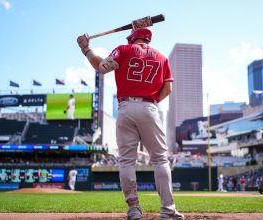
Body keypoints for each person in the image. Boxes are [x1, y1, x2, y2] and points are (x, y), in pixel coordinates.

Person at [77, 28, 184, 220]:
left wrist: (86, 50)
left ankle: (134, 209)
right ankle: (167, 210)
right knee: (160, 160)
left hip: (125, 107)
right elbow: (168, 87)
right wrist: (152, 103)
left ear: (133, 38)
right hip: (149, 106)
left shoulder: (124, 49)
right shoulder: (161, 57)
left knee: (126, 161)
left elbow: (101, 67)